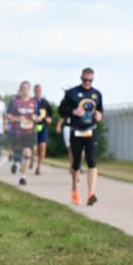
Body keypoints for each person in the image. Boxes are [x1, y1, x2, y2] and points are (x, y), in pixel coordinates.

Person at [58, 68, 104, 205]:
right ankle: (75, 189)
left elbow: (100, 109)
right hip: (76, 131)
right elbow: (61, 110)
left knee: (92, 162)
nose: (87, 83)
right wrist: (73, 111)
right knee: (76, 164)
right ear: (81, 78)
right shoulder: (72, 93)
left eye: (90, 80)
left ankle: (91, 194)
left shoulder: (97, 94)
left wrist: (100, 115)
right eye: (85, 80)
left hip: (91, 130)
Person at [7, 81, 39, 186]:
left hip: (29, 131)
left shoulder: (34, 102)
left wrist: (36, 118)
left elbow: (38, 117)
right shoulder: (14, 102)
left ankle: (23, 177)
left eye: (27, 88)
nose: (25, 89)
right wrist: (17, 118)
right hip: (17, 132)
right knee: (18, 152)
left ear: (29, 89)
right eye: (23, 88)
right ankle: (16, 163)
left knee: (28, 153)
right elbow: (8, 116)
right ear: (20, 89)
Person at [31, 84, 54, 175]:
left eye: (39, 90)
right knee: (34, 148)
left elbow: (50, 113)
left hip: (42, 126)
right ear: (34, 91)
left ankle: (39, 167)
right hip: (32, 126)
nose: (38, 91)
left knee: (43, 146)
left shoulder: (45, 102)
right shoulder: (30, 101)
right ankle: (32, 158)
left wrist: (49, 118)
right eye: (36, 90)